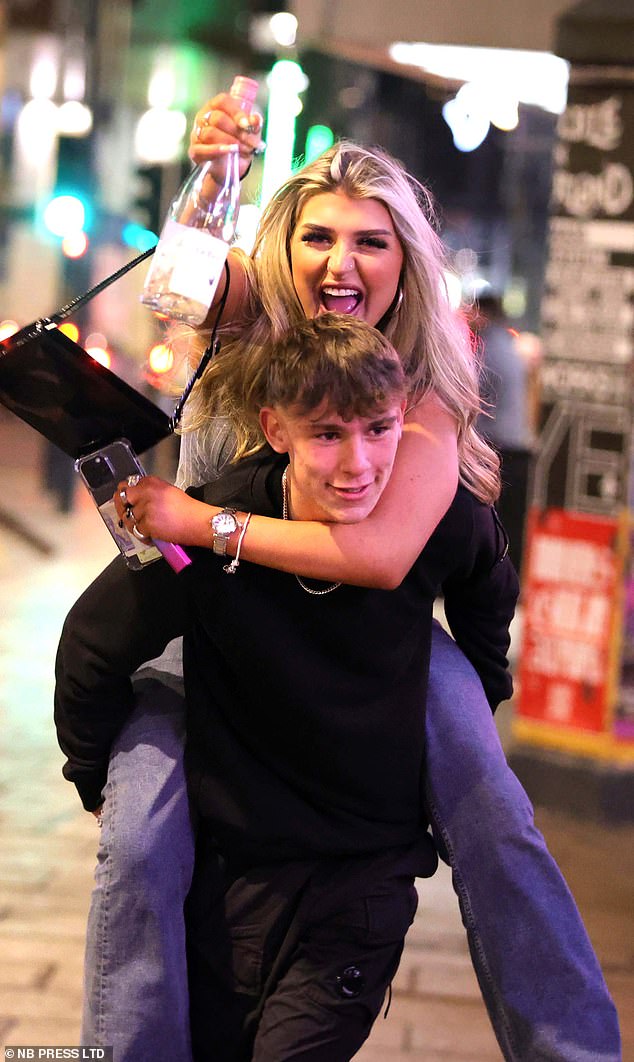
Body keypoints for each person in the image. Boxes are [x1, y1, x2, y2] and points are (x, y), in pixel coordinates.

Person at [72, 96, 620, 1062]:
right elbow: (179, 280)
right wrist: (213, 173)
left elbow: (378, 559)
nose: (341, 264)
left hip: (376, 630)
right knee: (138, 839)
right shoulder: (255, 321)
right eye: (318, 238)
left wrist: (202, 520)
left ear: (406, 262)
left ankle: (569, 1049)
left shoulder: (425, 398)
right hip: (213, 624)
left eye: (372, 241)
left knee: (494, 814)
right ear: (285, 252)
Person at [56, 314, 520, 1062]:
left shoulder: (427, 514)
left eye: (378, 429)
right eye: (329, 434)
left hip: (363, 881)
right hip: (232, 879)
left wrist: (479, 687)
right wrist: (93, 779)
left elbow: (488, 577)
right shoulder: (208, 523)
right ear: (277, 428)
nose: (359, 463)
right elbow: (93, 641)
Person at [475, 293, 535, 578]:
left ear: (483, 313)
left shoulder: (487, 350)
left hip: (501, 450)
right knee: (510, 526)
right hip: (518, 448)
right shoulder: (510, 346)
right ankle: (507, 581)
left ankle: (495, 581)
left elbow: (471, 403)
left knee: (493, 527)